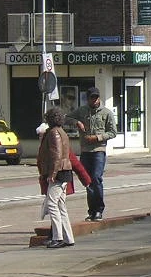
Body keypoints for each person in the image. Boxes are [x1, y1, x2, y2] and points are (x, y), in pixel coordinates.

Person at [69, 86, 117, 221]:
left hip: (98, 151)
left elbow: (113, 132)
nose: (94, 100)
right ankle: (92, 211)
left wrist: (97, 138)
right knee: (87, 180)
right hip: (85, 151)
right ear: (88, 99)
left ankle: (99, 210)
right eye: (92, 98)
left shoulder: (106, 113)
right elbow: (66, 118)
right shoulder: (82, 110)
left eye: (96, 98)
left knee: (96, 178)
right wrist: (77, 122)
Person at [36, 107, 76, 249]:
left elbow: (56, 155)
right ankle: (68, 238)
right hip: (64, 171)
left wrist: (52, 174)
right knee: (60, 205)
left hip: (58, 172)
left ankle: (57, 237)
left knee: (52, 204)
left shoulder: (54, 133)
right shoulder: (62, 132)